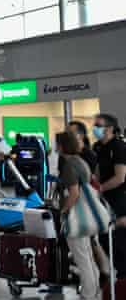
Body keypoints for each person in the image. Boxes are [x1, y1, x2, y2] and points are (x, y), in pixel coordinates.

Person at [57, 131, 101, 300]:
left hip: (76, 216)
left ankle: (88, 294)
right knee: (87, 256)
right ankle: (94, 291)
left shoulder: (69, 165)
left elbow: (74, 194)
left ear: (62, 146)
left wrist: (63, 211)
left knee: (82, 258)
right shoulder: (81, 162)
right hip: (87, 214)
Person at [93, 113, 126, 277]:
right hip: (104, 201)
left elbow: (120, 177)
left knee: (119, 242)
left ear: (110, 128)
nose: (95, 128)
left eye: (98, 125)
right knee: (106, 239)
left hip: (119, 200)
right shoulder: (99, 147)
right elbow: (98, 172)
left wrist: (100, 188)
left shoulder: (119, 147)